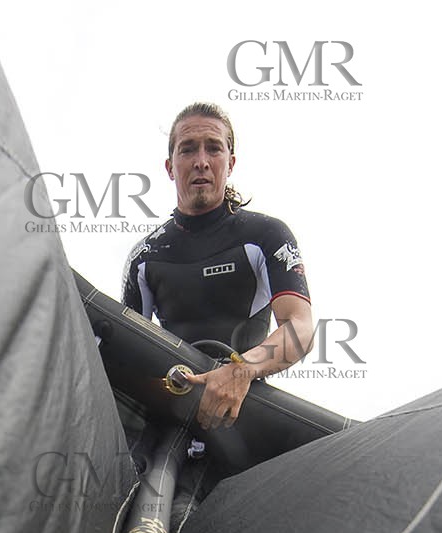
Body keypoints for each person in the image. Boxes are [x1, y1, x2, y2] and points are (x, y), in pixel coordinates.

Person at [122, 102, 316, 431]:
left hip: (245, 416)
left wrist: (241, 369)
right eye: (188, 150)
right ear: (170, 167)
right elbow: (128, 356)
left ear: (230, 163)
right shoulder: (145, 256)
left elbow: (300, 328)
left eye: (214, 149)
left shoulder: (266, 235)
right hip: (171, 417)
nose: (201, 161)